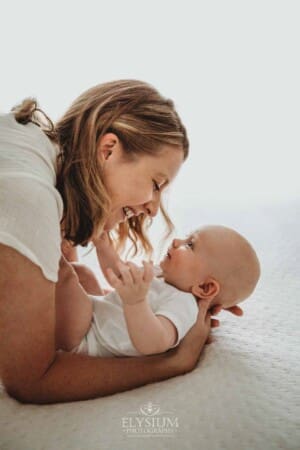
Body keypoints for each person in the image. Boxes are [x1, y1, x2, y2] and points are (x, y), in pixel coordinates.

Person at [0, 80, 243, 404]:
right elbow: (31, 379)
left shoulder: (34, 154)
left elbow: (60, 255)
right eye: (156, 184)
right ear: (108, 150)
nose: (154, 208)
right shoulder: (28, 196)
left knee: (76, 273)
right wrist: (173, 362)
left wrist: (206, 284)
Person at [55, 225, 260, 357]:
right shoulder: (162, 274)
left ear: (205, 288)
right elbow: (119, 274)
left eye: (190, 245)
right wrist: (103, 246)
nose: (176, 241)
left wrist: (135, 303)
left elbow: (156, 342)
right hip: (95, 316)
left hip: (88, 340)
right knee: (83, 273)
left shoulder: (184, 306)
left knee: (65, 275)